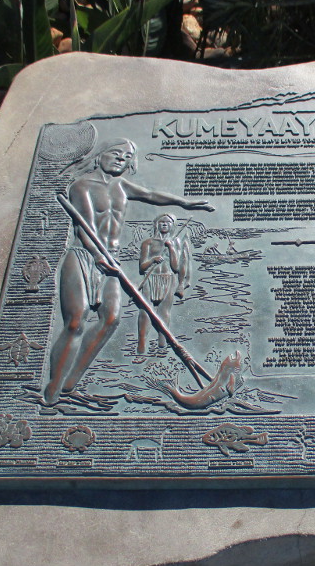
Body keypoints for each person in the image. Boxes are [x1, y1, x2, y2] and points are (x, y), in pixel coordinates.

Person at [43, 138, 213, 406]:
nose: (121, 159)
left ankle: (69, 386)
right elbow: (85, 226)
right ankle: (51, 391)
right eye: (116, 153)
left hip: (111, 259)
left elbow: (150, 195)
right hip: (84, 255)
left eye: (127, 156)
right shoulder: (81, 185)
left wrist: (185, 203)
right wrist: (98, 255)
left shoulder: (121, 186)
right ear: (100, 155)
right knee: (76, 322)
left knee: (111, 319)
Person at [137, 213, 191, 353]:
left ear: (172, 225)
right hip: (150, 279)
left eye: (168, 222)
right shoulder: (147, 243)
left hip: (168, 278)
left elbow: (176, 267)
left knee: (164, 311)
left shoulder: (175, 242)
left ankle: (162, 342)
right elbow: (142, 267)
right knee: (145, 311)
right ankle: (141, 343)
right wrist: (152, 260)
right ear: (157, 225)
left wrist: (171, 248)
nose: (165, 224)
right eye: (162, 222)